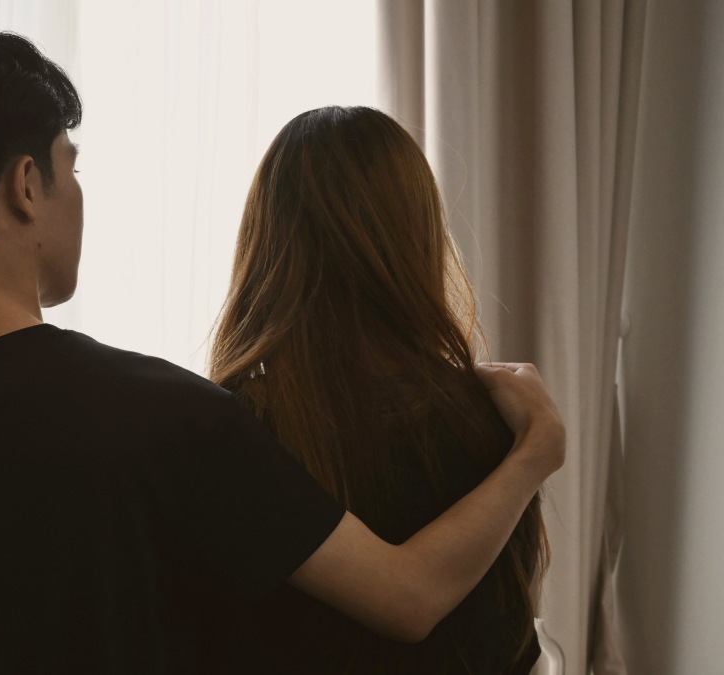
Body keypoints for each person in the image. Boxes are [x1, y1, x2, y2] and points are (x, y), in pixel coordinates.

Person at [0, 29, 564, 673]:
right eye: (70, 167)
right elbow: (407, 596)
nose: (77, 192)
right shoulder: (171, 418)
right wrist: (535, 450)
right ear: (26, 186)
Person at [205, 105, 549, 674]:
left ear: (270, 242)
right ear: (419, 235)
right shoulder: (492, 421)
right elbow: (510, 644)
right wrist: (535, 450)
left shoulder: (239, 427)